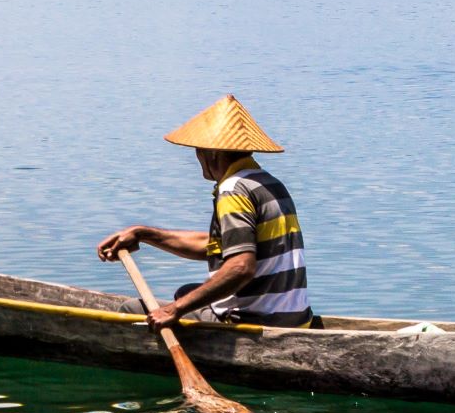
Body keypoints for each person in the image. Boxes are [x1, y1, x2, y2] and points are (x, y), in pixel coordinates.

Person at [97, 93, 314, 329]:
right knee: (187, 292)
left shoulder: (234, 190)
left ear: (212, 152)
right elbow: (216, 246)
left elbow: (241, 267)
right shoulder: (267, 183)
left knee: (131, 310)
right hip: (295, 318)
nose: (197, 156)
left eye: (198, 150)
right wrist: (144, 234)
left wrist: (175, 309)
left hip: (253, 321)